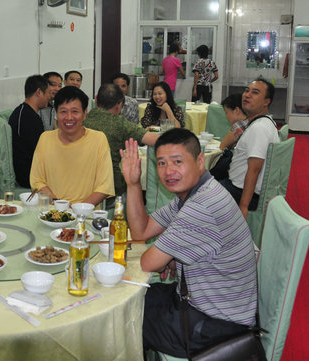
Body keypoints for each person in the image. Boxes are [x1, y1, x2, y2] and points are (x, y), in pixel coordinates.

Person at [120, 131, 257, 357]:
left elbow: (148, 263)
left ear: (200, 161)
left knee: (125, 317)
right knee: (136, 297)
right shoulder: (196, 193)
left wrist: (168, 256)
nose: (168, 171)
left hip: (216, 325)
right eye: (162, 163)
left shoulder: (201, 206)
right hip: (206, 304)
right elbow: (141, 231)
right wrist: (133, 183)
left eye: (177, 161)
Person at [30, 86, 114, 205]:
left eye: (75, 111)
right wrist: (59, 206)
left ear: (84, 114)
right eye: (63, 111)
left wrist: (78, 210)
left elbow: (104, 187)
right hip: (52, 210)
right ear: (56, 114)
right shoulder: (45, 139)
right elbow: (37, 181)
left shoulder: (98, 139)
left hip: (85, 213)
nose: (69, 117)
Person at [85, 84, 158, 197]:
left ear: (96, 99)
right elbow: (156, 140)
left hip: (83, 185)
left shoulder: (83, 119)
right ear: (119, 104)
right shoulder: (119, 124)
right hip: (111, 187)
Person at [220, 79, 279, 217]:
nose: (247, 95)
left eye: (255, 92)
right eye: (246, 91)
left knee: (194, 193)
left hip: (240, 193)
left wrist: (243, 206)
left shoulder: (259, 128)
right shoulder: (262, 122)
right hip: (238, 187)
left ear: (266, 102)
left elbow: (254, 169)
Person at [9, 75, 51, 188]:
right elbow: (40, 151)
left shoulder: (22, 112)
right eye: (48, 93)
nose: (49, 97)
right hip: (28, 176)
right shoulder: (29, 118)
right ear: (39, 92)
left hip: (28, 171)